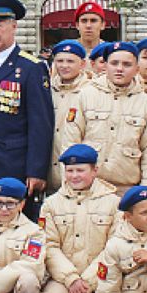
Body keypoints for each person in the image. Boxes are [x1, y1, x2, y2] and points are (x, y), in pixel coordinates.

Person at [0, 0, 53, 223]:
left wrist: (36, 170)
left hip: (14, 168)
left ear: (13, 26)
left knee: (18, 234)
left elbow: (41, 123)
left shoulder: (31, 67)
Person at [39, 144, 120, 293]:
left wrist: (88, 281)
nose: (74, 176)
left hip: (98, 279)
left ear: (94, 171)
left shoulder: (113, 203)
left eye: (81, 170)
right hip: (66, 278)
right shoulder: (51, 204)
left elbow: (114, 248)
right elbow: (49, 246)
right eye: (70, 170)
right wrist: (71, 278)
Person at [60, 41, 147, 195]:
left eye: (127, 64)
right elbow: (70, 143)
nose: (120, 69)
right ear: (105, 66)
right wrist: (68, 187)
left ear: (137, 69)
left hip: (127, 189)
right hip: (89, 188)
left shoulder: (146, 103)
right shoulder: (86, 95)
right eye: (114, 63)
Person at [49, 40, 88, 193]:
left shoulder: (90, 91)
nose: (64, 66)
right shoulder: (47, 90)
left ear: (82, 64)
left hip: (77, 172)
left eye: (70, 61)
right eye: (60, 61)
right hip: (49, 170)